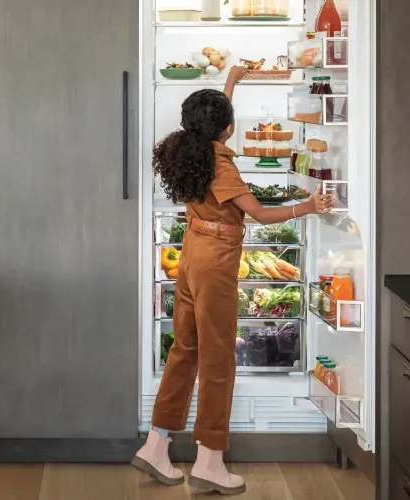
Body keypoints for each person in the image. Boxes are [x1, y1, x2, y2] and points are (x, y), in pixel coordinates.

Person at [130, 66, 333, 495]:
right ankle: (209, 461)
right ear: (226, 126)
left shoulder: (190, 147)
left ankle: (156, 444)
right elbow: (259, 213)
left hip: (191, 255)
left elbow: (215, 126)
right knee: (219, 359)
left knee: (185, 349)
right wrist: (309, 207)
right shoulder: (222, 167)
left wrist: (230, 84)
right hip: (216, 262)